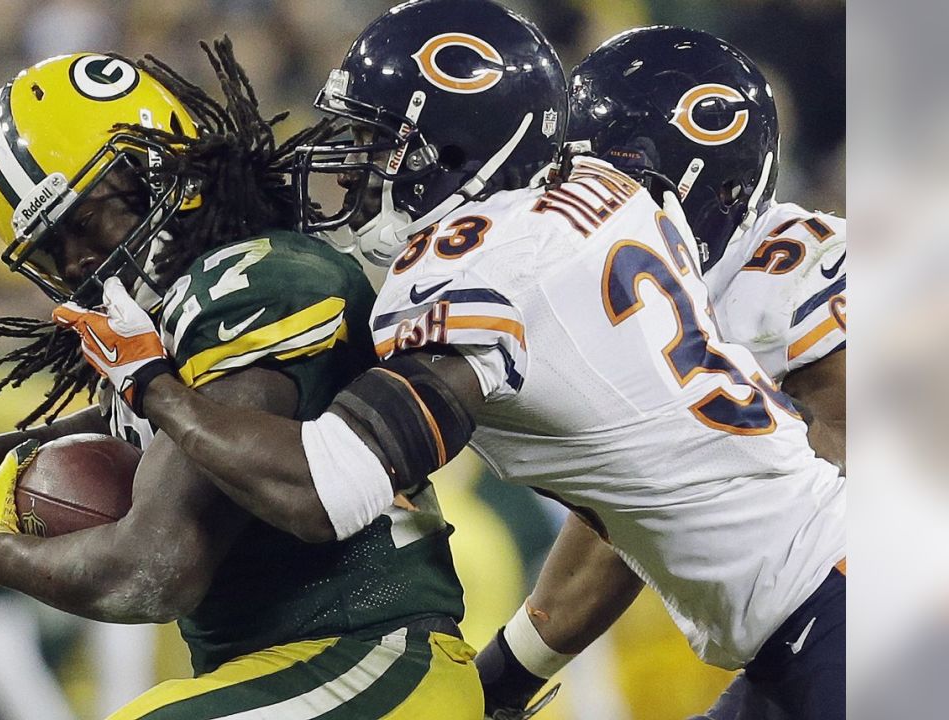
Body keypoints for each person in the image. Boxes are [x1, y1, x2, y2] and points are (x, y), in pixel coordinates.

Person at [57, 3, 845, 720]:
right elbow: (625, 512)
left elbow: (325, 489)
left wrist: (153, 381)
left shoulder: (489, 267)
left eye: (375, 145)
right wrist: (505, 677)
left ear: (459, 147)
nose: (352, 169)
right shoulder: (584, 210)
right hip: (815, 615)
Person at [0, 43, 482, 720]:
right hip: (297, 672)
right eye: (52, 251)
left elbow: (155, 569)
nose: (79, 260)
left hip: (367, 658)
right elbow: (146, 423)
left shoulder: (257, 280)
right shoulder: (184, 315)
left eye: (82, 221)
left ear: (158, 168)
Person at [471, 26, 847, 720]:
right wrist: (506, 676)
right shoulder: (659, 299)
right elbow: (647, 496)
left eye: (612, 183)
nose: (587, 206)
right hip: (805, 636)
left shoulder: (791, 275)